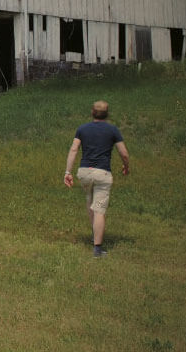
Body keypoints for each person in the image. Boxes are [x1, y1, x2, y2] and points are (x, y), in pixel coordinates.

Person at [63, 100, 129, 257]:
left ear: (92, 112)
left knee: (90, 203)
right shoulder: (113, 130)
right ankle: (98, 249)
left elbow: (74, 149)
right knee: (99, 209)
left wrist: (68, 172)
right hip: (102, 174)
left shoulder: (82, 129)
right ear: (107, 114)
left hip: (85, 173)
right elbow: (123, 153)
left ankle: (95, 236)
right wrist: (126, 166)